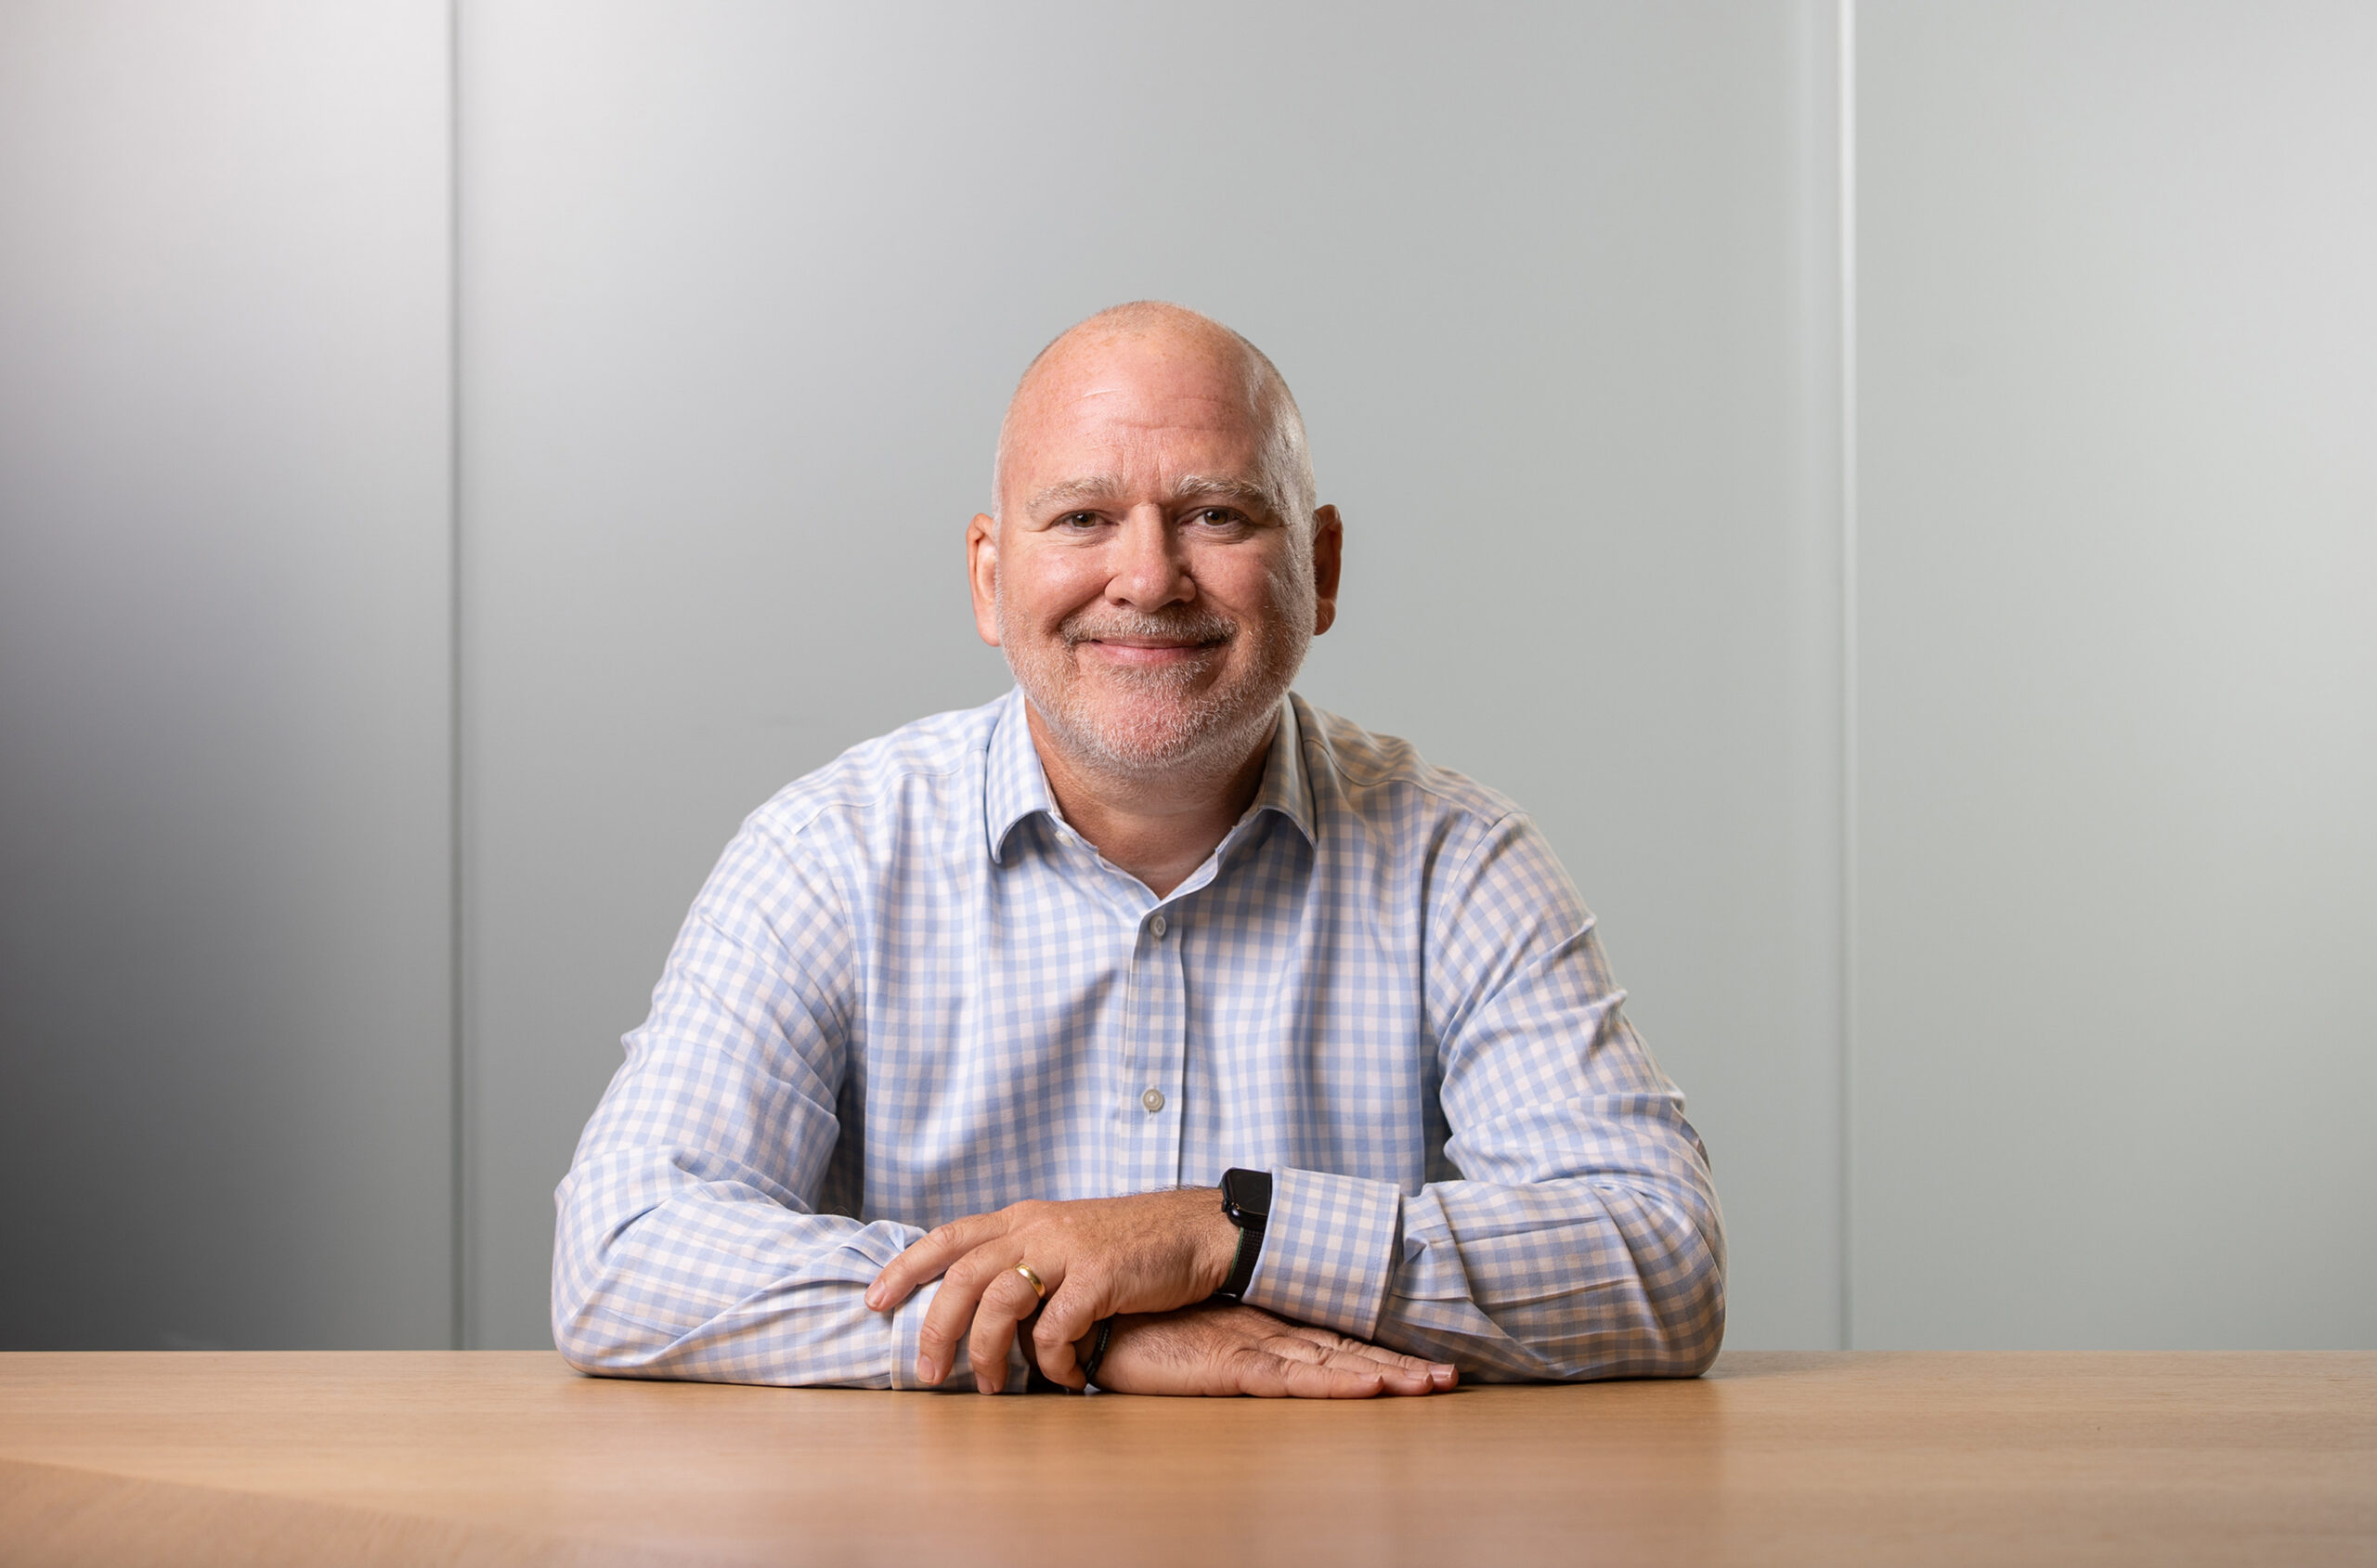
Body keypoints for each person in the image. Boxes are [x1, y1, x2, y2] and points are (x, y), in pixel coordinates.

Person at [552, 302, 1724, 1398]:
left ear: (1319, 571)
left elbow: (1662, 1258)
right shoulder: (830, 858)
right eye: (1082, 519)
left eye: (1217, 514)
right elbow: (624, 1251)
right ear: (990, 578)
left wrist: (1228, 1230)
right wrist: (1090, 1330)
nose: (1150, 578)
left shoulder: (1455, 862)